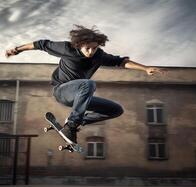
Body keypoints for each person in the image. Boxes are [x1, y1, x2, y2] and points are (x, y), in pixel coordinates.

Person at [5, 25, 164, 144]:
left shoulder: (99, 55)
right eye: (87, 48)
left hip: (80, 97)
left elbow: (121, 61)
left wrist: (145, 69)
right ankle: (71, 126)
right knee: (88, 84)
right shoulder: (67, 48)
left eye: (94, 48)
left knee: (115, 109)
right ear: (78, 45)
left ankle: (76, 121)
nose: (91, 52)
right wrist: (17, 50)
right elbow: (41, 44)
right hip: (62, 91)